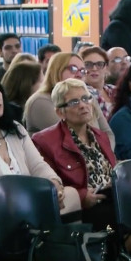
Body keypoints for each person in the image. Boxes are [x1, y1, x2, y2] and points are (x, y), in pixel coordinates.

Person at [0, 69, 79, 225]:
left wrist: (54, 186)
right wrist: (43, 197)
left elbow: (38, 165)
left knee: (71, 196)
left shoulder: (14, 129)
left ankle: (66, 247)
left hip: (25, 205)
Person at [33, 78, 116, 231]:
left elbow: (112, 170)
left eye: (86, 99)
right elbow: (51, 185)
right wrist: (81, 195)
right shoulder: (44, 141)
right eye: (74, 102)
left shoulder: (100, 136)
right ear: (60, 112)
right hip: (82, 209)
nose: (83, 105)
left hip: (112, 198)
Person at [24, 53, 115, 146]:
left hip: (97, 157)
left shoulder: (88, 97)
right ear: (57, 71)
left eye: (83, 71)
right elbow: (69, 138)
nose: (79, 74)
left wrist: (105, 154)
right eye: (73, 69)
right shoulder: (40, 101)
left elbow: (107, 133)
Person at [81, 47, 115, 119]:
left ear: (106, 67)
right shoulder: (81, 93)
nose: (94, 69)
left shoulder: (114, 90)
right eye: (88, 64)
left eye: (99, 64)